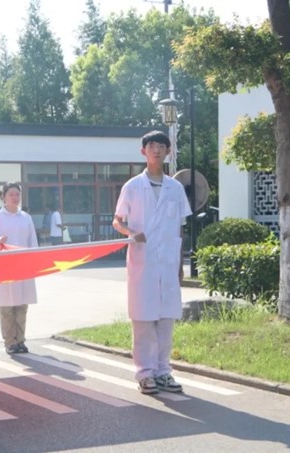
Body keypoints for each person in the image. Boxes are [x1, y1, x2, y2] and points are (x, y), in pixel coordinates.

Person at [112, 130, 192, 395]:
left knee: (166, 319)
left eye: (161, 146)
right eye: (152, 146)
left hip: (168, 261)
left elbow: (180, 228)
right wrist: (131, 233)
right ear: (143, 151)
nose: (157, 150)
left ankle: (163, 371)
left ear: (168, 151)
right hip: (143, 261)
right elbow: (117, 221)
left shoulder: (175, 188)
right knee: (144, 319)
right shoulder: (133, 187)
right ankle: (145, 374)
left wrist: (179, 265)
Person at [0, 182, 38, 355]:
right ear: (4, 197)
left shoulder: (25, 218)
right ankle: (10, 342)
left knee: (22, 305)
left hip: (23, 265)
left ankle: (21, 340)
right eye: (11, 194)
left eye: (17, 194)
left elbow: (32, 241)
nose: (15, 198)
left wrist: (35, 260)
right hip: (5, 266)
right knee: (7, 306)